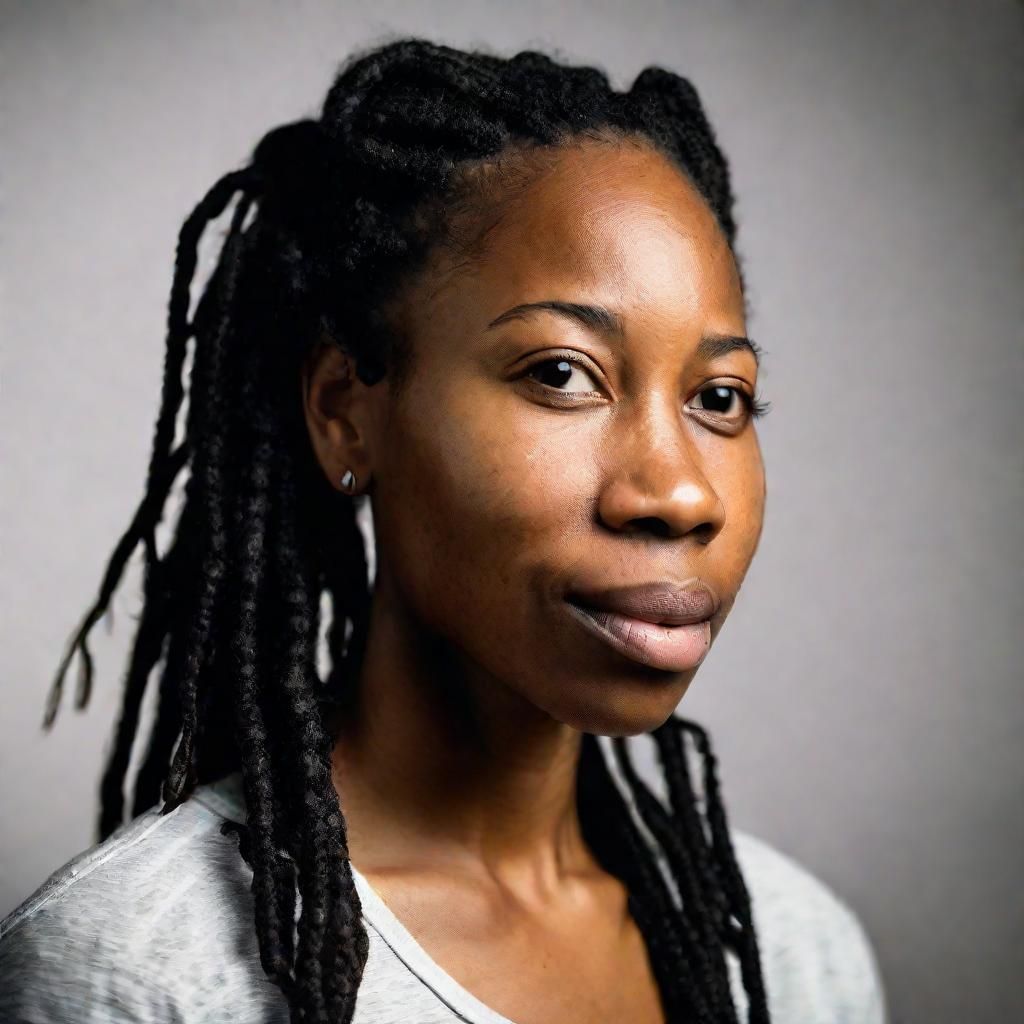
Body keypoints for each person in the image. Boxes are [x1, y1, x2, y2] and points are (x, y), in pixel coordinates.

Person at [0, 36, 887, 1024]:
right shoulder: (138, 974)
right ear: (345, 408)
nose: (679, 493)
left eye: (720, 397)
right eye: (560, 373)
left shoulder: (795, 954)